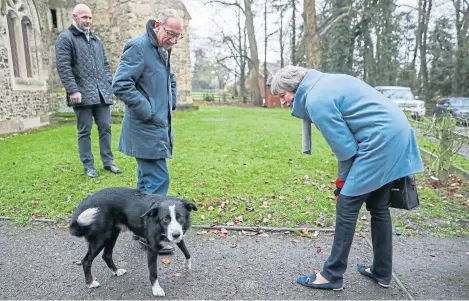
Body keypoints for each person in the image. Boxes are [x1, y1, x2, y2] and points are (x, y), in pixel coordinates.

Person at [270, 65, 424, 290]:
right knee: (378, 206)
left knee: (347, 205)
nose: (283, 102)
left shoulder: (316, 100)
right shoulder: (326, 83)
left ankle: (332, 275)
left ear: (295, 86)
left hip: (380, 141)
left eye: (283, 95)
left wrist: (342, 183)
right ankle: (382, 272)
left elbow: (345, 150)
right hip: (396, 132)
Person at [112, 9, 183, 254]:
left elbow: (168, 78)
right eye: (171, 34)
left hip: (156, 127)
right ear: (157, 25)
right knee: (158, 179)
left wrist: (171, 100)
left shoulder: (161, 49)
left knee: (145, 184)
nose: (173, 40)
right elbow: (120, 83)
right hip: (146, 127)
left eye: (177, 37)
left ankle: (140, 227)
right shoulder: (139, 47)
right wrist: (149, 110)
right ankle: (151, 236)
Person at [55, 4, 122, 178]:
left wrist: (108, 83)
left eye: (90, 17)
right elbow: (63, 67)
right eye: (84, 17)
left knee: (106, 127)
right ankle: (88, 165)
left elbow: (105, 65)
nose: (88, 21)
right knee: (84, 131)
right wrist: (72, 90)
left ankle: (108, 162)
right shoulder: (65, 38)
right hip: (81, 94)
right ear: (74, 17)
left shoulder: (96, 40)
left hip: (101, 93)